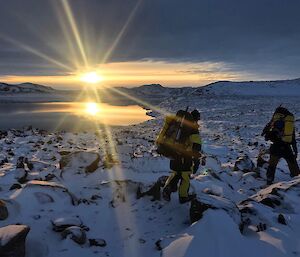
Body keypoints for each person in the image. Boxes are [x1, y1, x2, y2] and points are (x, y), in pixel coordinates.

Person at [162, 109, 202, 203]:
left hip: (174, 154)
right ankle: (183, 197)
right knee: (185, 176)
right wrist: (196, 155)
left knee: (176, 173)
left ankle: (167, 189)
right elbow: (196, 145)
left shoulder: (180, 125)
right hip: (185, 157)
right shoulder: (192, 128)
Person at [262, 106, 299, 185]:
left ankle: (269, 181)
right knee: (293, 164)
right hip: (286, 147)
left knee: (272, 165)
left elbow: (265, 136)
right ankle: (297, 181)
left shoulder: (273, 122)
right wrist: (295, 151)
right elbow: (293, 138)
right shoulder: (289, 122)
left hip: (275, 146)